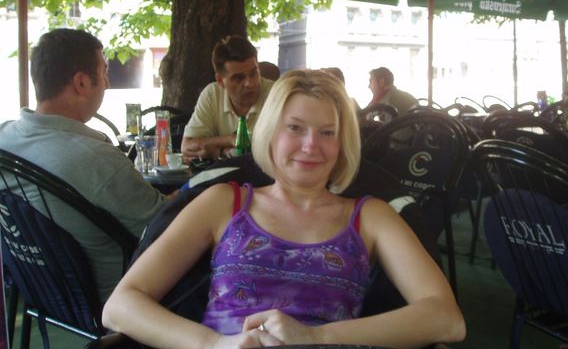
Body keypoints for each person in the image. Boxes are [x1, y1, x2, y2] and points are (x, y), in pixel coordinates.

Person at [102, 70, 465, 349]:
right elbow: (120, 305)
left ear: (343, 143)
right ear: (271, 132)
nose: (310, 145)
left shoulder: (371, 217)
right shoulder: (223, 203)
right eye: (295, 128)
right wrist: (215, 344)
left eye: (327, 132)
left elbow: (447, 318)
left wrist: (315, 337)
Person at [0, 29, 167, 303]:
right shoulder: (98, 160)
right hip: (118, 304)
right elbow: (166, 227)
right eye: (104, 72)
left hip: (38, 293)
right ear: (81, 82)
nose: (107, 84)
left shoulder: (4, 140)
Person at [181, 36, 275, 161]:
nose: (250, 83)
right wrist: (230, 140)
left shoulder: (275, 94)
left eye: (254, 73)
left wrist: (220, 151)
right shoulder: (212, 94)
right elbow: (187, 146)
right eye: (239, 78)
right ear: (220, 81)